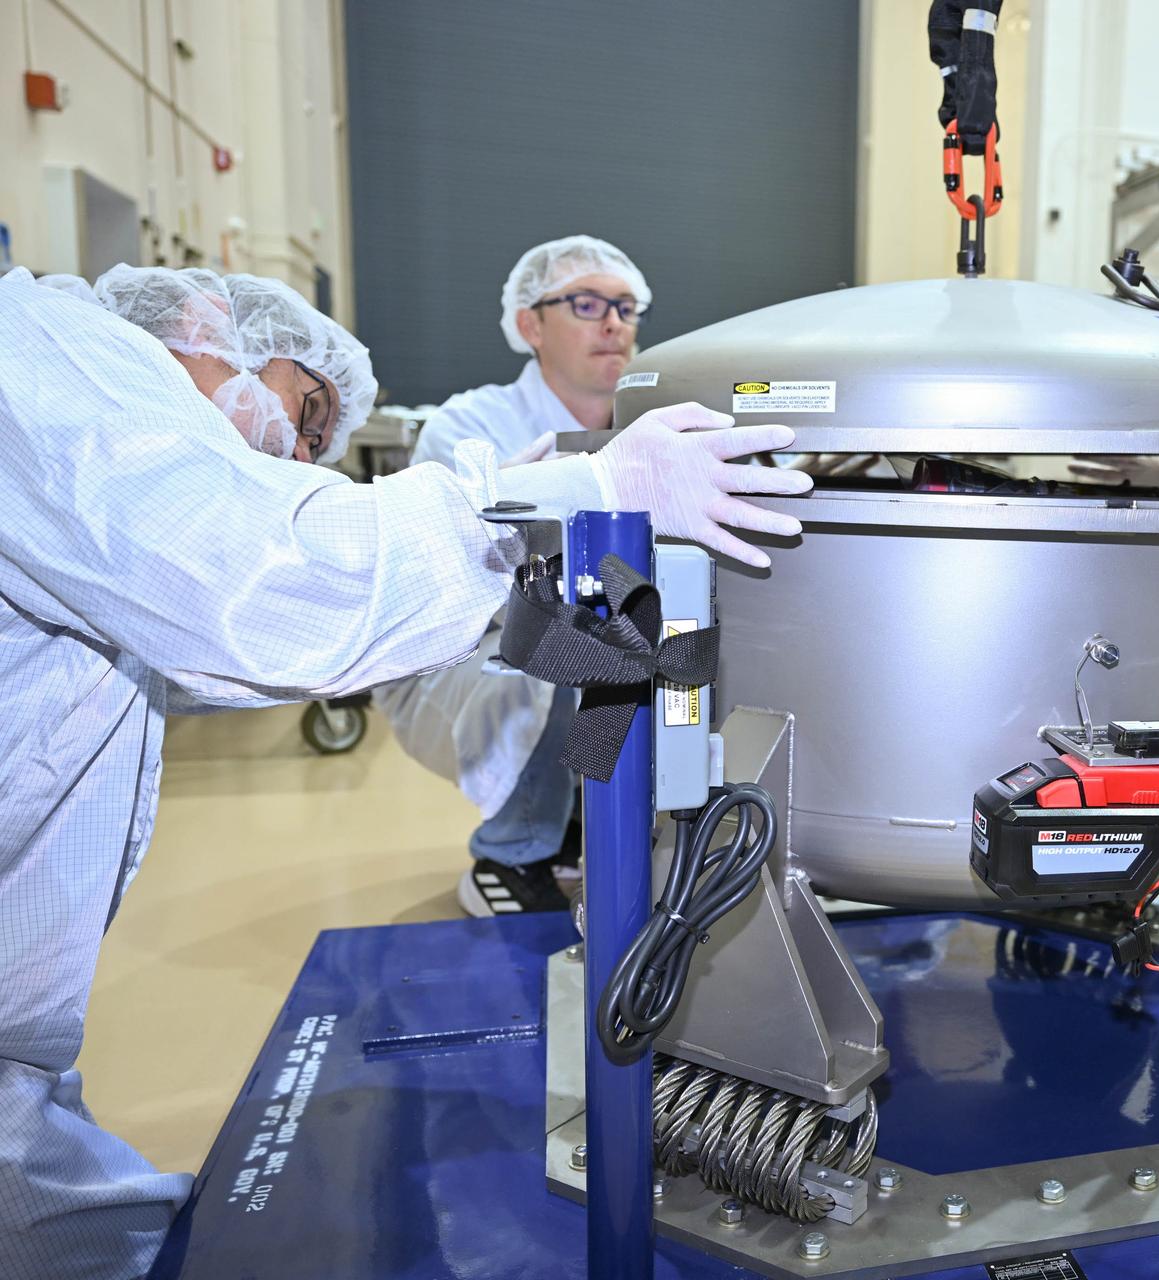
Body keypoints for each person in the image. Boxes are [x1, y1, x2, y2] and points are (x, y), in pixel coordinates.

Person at [0, 263, 810, 1280]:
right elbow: (267, 586)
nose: (291, 457)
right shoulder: (45, 359)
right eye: (306, 413)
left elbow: (193, 660)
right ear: (210, 323)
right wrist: (580, 494)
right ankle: (515, 850)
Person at [373, 236, 651, 915]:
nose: (613, 323)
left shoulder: (647, 430)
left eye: (625, 306)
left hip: (581, 656)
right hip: (468, 658)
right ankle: (513, 850)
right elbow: (486, 587)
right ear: (531, 325)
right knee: (568, 636)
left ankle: (586, 821)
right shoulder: (470, 427)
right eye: (586, 304)